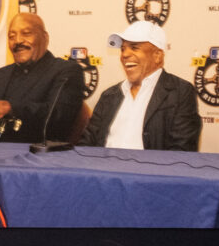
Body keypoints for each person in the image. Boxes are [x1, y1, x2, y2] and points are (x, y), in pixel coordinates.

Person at [0, 13, 83, 143]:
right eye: (11, 36)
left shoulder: (65, 71)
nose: (18, 41)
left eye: (26, 33)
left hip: (38, 158)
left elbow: (59, 118)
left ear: (45, 38)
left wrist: (8, 108)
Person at [79, 21, 201, 151]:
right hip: (102, 164)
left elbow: (181, 152)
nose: (124, 55)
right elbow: (86, 144)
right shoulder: (109, 95)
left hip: (151, 165)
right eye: (122, 49)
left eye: (134, 48)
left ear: (157, 56)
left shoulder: (180, 92)